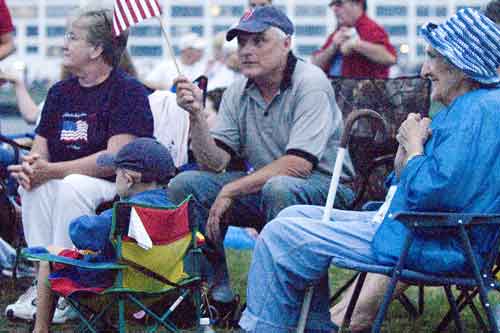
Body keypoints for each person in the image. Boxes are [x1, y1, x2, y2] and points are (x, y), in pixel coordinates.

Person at [239, 8, 500, 332]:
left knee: (281, 233)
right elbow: (414, 186)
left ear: (461, 66)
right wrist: (406, 153)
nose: (424, 69)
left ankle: (265, 328)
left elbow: (435, 194)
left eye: (433, 57)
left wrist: (415, 147)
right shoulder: (469, 108)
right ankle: (313, 325)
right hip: (421, 229)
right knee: (291, 218)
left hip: (431, 241)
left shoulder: (478, 113)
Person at [171, 5, 354, 311]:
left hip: (328, 188)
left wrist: (231, 189)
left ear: (286, 44)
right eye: (241, 42)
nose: (246, 50)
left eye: (258, 41)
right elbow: (214, 164)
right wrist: (196, 117)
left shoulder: (311, 82)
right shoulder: (237, 90)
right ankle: (217, 296)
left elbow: (299, 165)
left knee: (279, 187)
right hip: (268, 187)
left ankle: (287, 307)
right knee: (185, 184)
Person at [6, 7, 154, 323]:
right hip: (67, 178)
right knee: (34, 185)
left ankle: (67, 283)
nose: (64, 44)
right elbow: (40, 150)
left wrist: (53, 171)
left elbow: (115, 158)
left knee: (70, 184)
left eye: (72, 37)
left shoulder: (127, 91)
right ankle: (41, 280)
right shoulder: (60, 92)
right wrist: (32, 167)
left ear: (97, 49)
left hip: (114, 183)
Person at [31, 138, 176, 333]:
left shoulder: (124, 213)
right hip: (163, 286)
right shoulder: (176, 210)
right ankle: (105, 324)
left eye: (116, 173)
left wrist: (93, 218)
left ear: (129, 178)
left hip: (118, 287)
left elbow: (80, 231)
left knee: (47, 258)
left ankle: (40, 330)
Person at [311, 0, 396, 78]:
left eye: (339, 4)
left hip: (363, 93)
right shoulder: (337, 33)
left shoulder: (371, 29)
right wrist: (333, 46)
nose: (335, 9)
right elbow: (315, 66)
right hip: (337, 92)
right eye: (333, 5)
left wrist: (356, 44)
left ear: (357, 4)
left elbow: (390, 57)